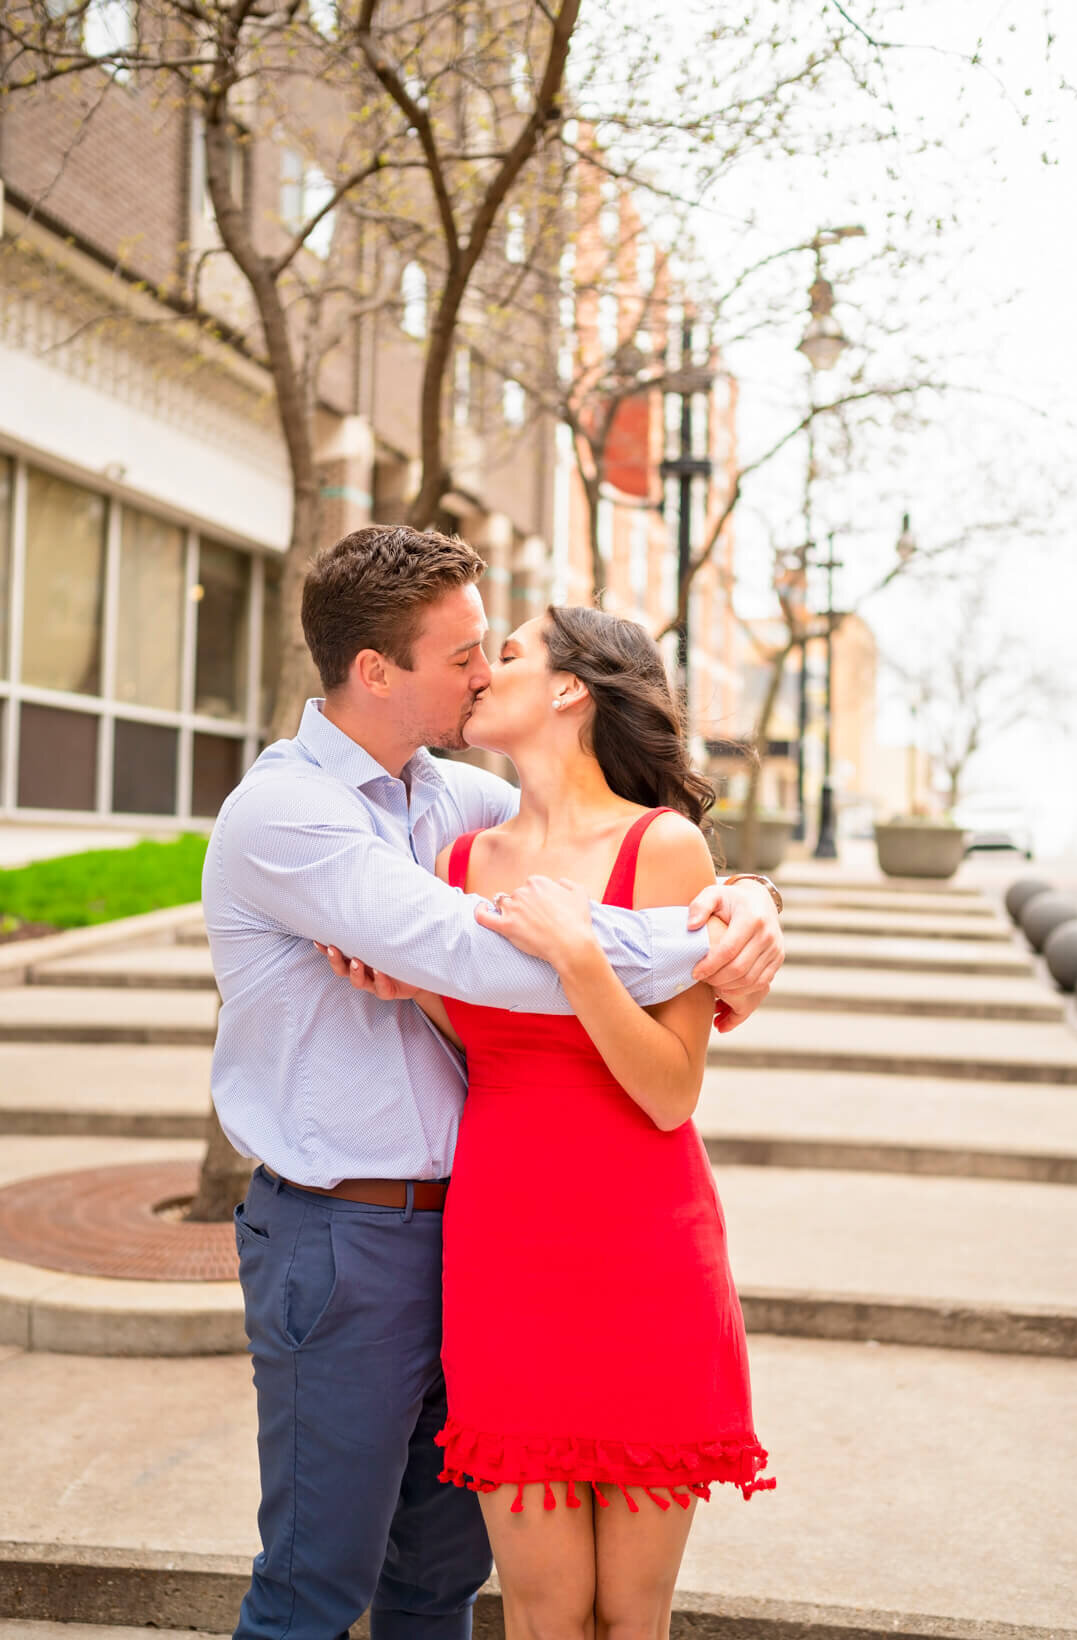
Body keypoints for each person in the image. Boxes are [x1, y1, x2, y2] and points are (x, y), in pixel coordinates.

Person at [202, 524, 784, 1640]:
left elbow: (605, 845)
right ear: (377, 670)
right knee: (316, 1584)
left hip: (476, 1235)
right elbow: (479, 956)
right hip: (344, 1236)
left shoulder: (447, 804)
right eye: (465, 652)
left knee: (434, 1587)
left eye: (493, 650)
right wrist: (687, 943)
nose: (479, 671)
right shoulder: (291, 815)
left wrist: (746, 901)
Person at [340, 603, 774, 1640]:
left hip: (644, 1247)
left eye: (513, 653)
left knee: (628, 1611)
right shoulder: (462, 863)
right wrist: (416, 993)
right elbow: (498, 1046)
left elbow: (668, 1088)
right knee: (538, 1606)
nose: (485, 671)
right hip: (505, 1249)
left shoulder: (660, 847)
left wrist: (578, 953)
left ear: (571, 687)